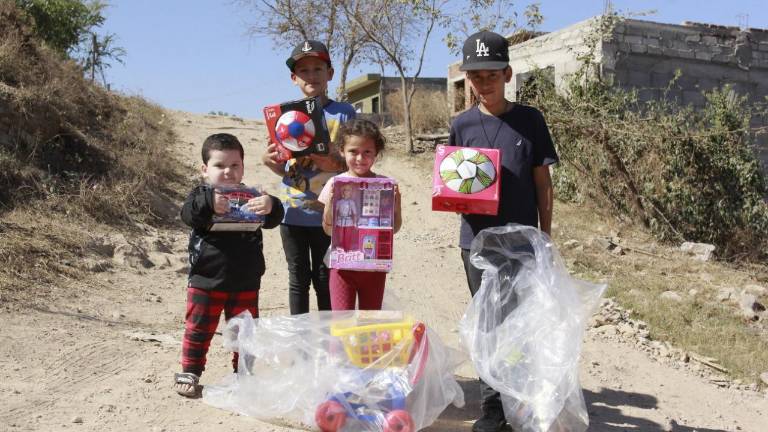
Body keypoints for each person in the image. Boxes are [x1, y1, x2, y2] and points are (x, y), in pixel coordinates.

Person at [449, 31, 559, 432]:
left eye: (492, 73)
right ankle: (493, 410)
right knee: (488, 326)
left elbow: (543, 183)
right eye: (475, 76)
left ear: (508, 73)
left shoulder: (530, 120)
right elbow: (452, 185)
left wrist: (544, 237)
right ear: (468, 80)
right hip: (476, 244)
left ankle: (523, 406)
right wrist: (453, 197)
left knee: (521, 325)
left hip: (521, 243)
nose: (484, 82)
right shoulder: (460, 125)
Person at [174, 133, 284, 397]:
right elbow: (188, 213)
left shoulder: (252, 196)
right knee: (199, 328)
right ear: (205, 170)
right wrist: (210, 203)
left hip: (246, 279)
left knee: (246, 333)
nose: (228, 171)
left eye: (235, 165)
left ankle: (244, 374)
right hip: (206, 279)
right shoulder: (200, 195)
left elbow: (274, 219)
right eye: (219, 165)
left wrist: (270, 205)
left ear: (243, 167)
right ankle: (191, 370)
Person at [262, 40, 356, 315]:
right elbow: (288, 170)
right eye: (304, 71)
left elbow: (352, 163)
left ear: (330, 73)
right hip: (292, 211)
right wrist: (270, 163)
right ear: (294, 78)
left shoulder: (344, 113)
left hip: (330, 212)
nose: (311, 76)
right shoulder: (283, 117)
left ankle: (329, 341)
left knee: (326, 278)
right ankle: (299, 342)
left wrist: (332, 161)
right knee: (298, 279)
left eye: (318, 68)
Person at [318, 119, 402, 310]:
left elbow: (394, 228)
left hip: (373, 267)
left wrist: (397, 205)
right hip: (342, 267)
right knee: (341, 324)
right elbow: (327, 230)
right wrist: (331, 203)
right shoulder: (334, 183)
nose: (359, 158)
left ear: (376, 154)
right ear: (342, 151)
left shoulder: (385, 184)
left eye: (367, 152)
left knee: (370, 324)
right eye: (353, 151)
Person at [334, 183, 358, 251]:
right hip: (340, 221)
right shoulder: (339, 202)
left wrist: (355, 223)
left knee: (348, 236)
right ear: (343, 191)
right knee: (340, 236)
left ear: (350, 192)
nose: (347, 191)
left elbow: (355, 214)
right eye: (345, 190)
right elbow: (336, 213)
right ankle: (341, 249)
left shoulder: (352, 202)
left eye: (348, 190)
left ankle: (347, 249)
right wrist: (335, 222)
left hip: (349, 221)